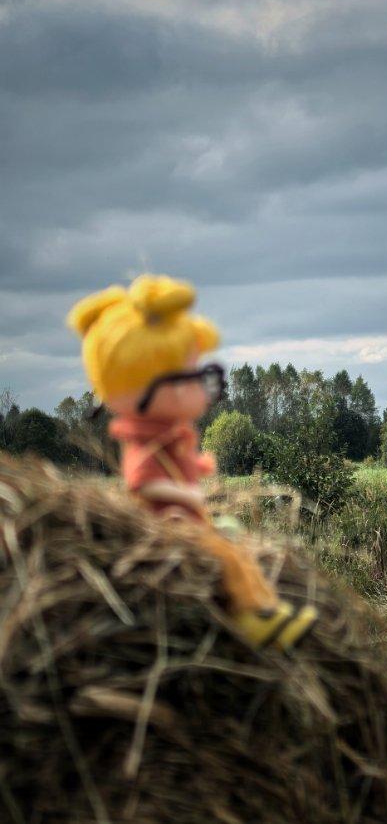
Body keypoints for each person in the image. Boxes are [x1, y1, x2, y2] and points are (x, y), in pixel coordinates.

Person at [67, 274, 317, 651]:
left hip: (184, 519)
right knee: (225, 556)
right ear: (151, 389)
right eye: (191, 378)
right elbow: (141, 483)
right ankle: (253, 618)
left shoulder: (168, 439)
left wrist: (194, 472)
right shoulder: (144, 447)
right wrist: (187, 494)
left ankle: (269, 607)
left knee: (234, 543)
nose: (201, 388)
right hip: (171, 527)